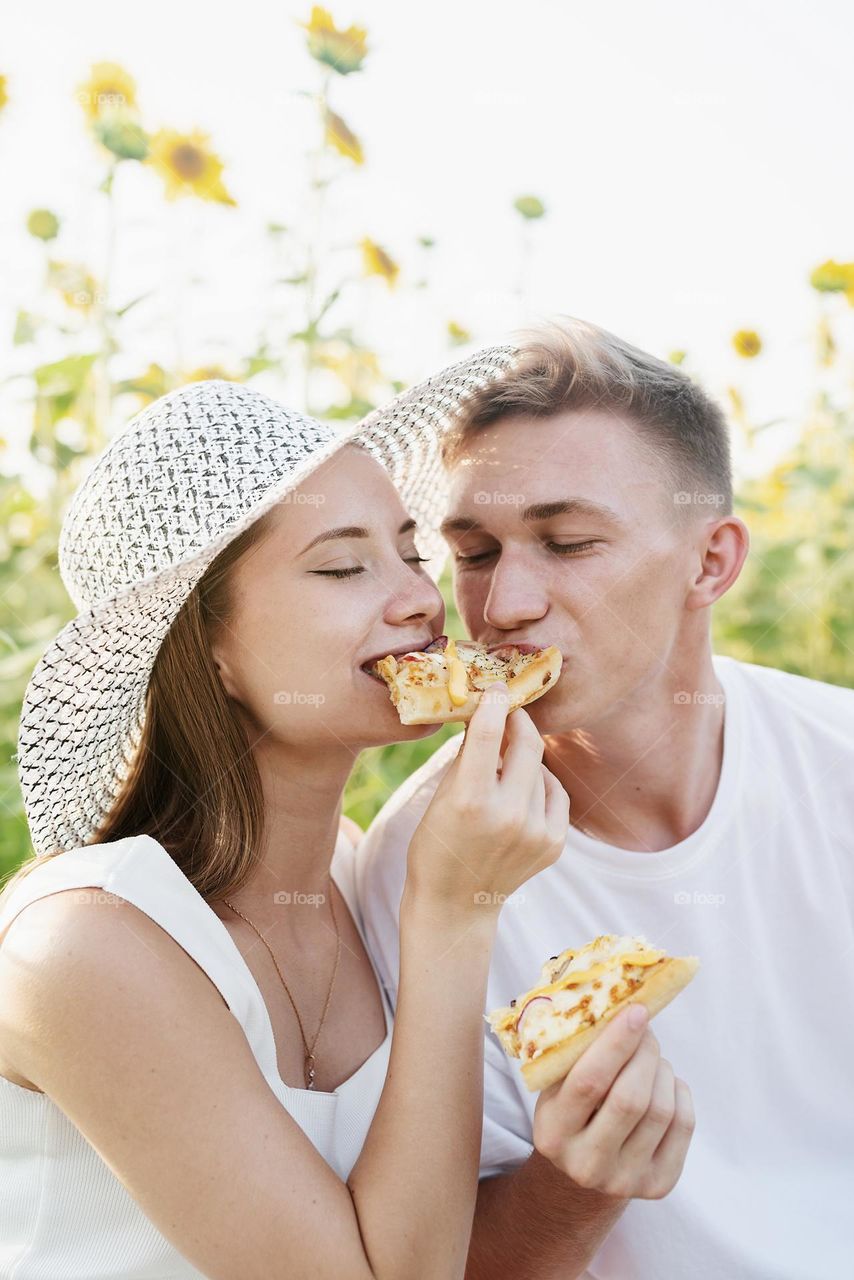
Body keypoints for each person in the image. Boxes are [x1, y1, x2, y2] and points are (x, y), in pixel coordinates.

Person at [0, 371, 574, 1280]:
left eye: (410, 553)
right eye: (343, 567)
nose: (422, 602)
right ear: (210, 650)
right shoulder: (83, 947)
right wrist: (457, 914)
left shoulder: (362, 869)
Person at [354, 318, 854, 1279]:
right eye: (475, 552)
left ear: (711, 563)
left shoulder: (834, 764)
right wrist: (578, 1184)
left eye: (569, 542)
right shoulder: (424, 865)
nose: (505, 608)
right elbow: (446, 1260)